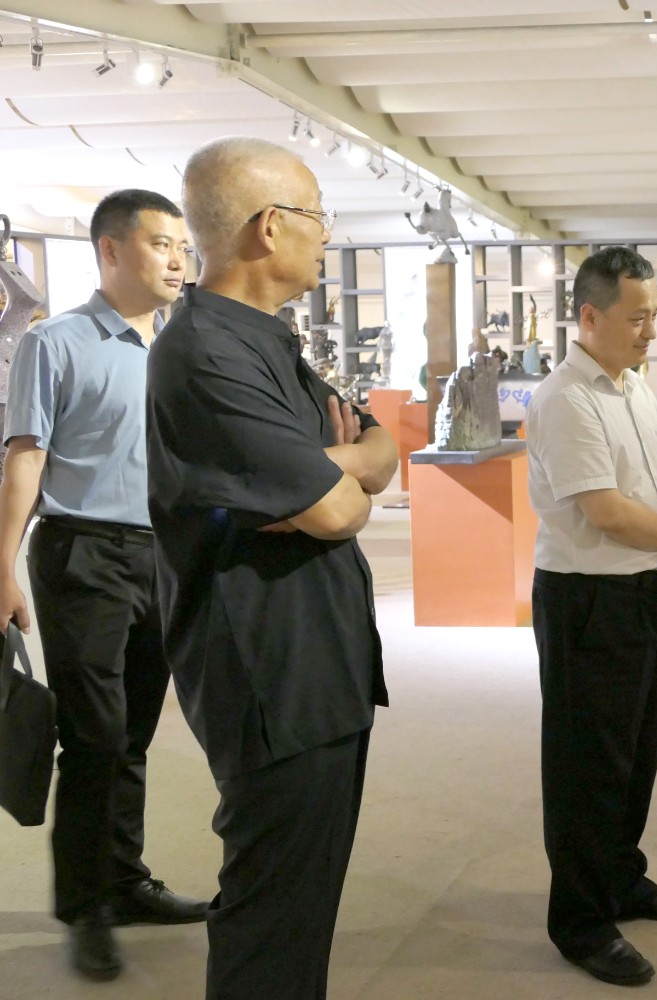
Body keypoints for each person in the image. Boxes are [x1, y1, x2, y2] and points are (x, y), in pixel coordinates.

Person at [146, 137, 396, 999]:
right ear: (269, 226)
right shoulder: (204, 352)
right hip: (269, 673)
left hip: (321, 660)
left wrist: (332, 468)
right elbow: (338, 509)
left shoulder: (267, 339)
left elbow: (379, 452)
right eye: (319, 217)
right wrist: (334, 479)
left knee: (305, 902)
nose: (327, 235)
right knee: (271, 916)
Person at [0, 189, 208, 981]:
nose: (177, 260)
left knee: (135, 732)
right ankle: (86, 905)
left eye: (183, 246)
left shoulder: (181, 345)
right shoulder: (55, 342)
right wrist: (2, 564)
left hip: (166, 555)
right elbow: (26, 456)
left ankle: (124, 881)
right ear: (111, 250)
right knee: (95, 734)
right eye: (161, 244)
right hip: (83, 552)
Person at [527, 246, 657, 988]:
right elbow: (606, 512)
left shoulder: (634, 386)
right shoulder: (566, 399)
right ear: (590, 317)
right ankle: (580, 920)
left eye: (653, 315)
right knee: (588, 766)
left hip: (644, 592)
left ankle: (621, 879)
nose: (650, 331)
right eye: (637, 318)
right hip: (588, 599)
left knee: (634, 752)